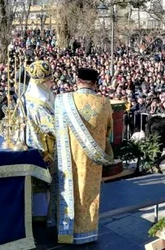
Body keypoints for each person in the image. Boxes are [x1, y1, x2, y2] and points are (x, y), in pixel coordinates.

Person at [51, 68, 114, 244]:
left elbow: (55, 127)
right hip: (92, 162)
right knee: (89, 193)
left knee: (70, 190)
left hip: (68, 157)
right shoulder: (104, 102)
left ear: (77, 80)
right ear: (95, 83)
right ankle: (87, 233)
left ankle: (65, 229)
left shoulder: (63, 100)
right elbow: (109, 130)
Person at [24, 60, 56, 219]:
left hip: (34, 145)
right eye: (49, 81)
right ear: (41, 83)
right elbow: (53, 127)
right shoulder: (38, 104)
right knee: (41, 185)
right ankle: (41, 215)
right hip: (43, 148)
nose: (51, 83)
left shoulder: (28, 96)